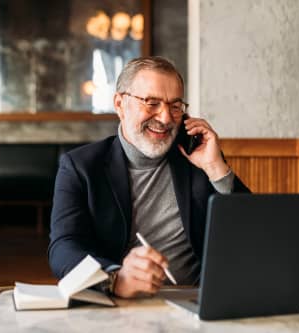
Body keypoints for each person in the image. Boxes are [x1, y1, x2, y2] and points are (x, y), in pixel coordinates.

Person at [48, 56, 250, 298]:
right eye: (151, 103)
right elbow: (63, 249)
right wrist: (114, 277)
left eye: (175, 106)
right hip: (121, 303)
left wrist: (217, 169)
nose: (165, 118)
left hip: (197, 300)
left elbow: (252, 232)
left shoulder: (198, 156)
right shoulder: (80, 167)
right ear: (120, 104)